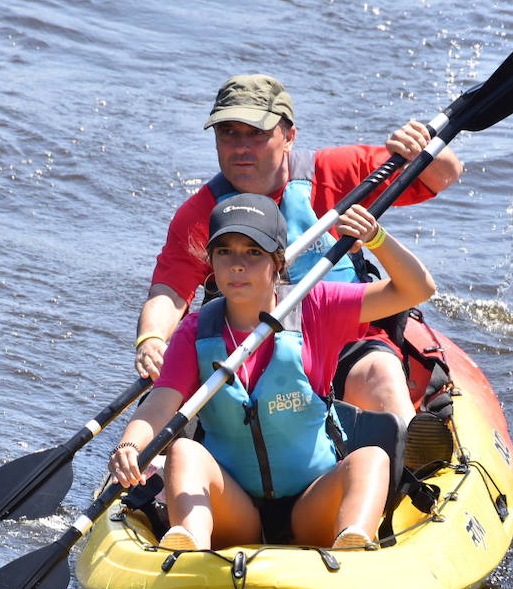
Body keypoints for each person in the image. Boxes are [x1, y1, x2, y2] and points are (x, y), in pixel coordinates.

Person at [133, 74, 461, 450]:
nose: (240, 148)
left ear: (289, 136)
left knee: (382, 375)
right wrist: (152, 338)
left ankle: (406, 473)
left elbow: (444, 174)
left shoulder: (338, 173)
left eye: (256, 134)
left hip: (344, 342)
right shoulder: (199, 214)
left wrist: (424, 144)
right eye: (228, 133)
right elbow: (170, 291)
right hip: (249, 351)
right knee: (173, 411)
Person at [111, 191, 437, 552]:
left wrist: (377, 239)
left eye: (253, 252)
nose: (237, 265)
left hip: (311, 504)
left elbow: (417, 289)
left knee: (372, 458)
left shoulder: (316, 304)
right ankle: (189, 550)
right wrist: (130, 445)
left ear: (277, 261)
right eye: (225, 252)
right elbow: (160, 403)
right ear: (212, 263)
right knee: (183, 452)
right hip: (234, 509)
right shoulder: (195, 331)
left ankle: (352, 544)